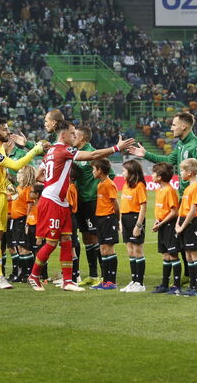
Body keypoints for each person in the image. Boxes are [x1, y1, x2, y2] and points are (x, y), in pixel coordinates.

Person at [27, 120, 134, 292]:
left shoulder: (51, 151)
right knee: (52, 242)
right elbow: (92, 155)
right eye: (72, 133)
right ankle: (34, 275)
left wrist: (52, 182)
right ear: (63, 135)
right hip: (52, 202)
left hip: (61, 201)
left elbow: (39, 175)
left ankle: (68, 281)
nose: (74, 136)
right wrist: (116, 148)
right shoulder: (64, 149)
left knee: (67, 240)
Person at [130, 112, 197, 287]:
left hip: (196, 199)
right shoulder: (181, 145)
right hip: (184, 198)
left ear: (184, 126)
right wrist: (145, 154)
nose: (171, 128)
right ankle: (190, 274)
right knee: (184, 236)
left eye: (174, 125)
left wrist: (191, 193)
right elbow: (168, 160)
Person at [0, 117, 44, 289]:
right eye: (5, 129)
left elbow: (1, 173)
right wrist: (35, 150)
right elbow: (15, 166)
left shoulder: (0, 147)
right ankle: (0, 279)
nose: (8, 132)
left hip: (0, 195)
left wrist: (8, 187)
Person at [72, 125, 101, 287]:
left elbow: (109, 174)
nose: (72, 137)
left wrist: (94, 190)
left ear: (82, 138)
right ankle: (92, 274)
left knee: (94, 236)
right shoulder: (75, 153)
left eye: (75, 135)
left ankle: (103, 275)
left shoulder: (92, 154)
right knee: (86, 238)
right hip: (79, 202)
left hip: (91, 201)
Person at [175, 158, 197, 296]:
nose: (180, 173)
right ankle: (192, 285)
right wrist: (178, 223)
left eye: (182, 170)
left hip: (192, 223)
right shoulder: (187, 188)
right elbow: (182, 207)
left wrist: (182, 227)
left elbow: (193, 211)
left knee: (195, 254)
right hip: (184, 222)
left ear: (190, 172)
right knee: (188, 255)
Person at [150, 162, 181, 295]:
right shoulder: (159, 190)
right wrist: (157, 221)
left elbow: (174, 211)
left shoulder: (169, 190)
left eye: (154, 173)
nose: (151, 175)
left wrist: (161, 223)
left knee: (173, 255)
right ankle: (164, 284)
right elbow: (162, 209)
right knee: (165, 255)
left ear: (160, 177)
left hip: (169, 225)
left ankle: (177, 286)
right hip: (162, 224)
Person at [91, 159, 120, 291]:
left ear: (100, 170)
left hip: (108, 218)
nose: (92, 171)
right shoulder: (100, 184)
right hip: (100, 218)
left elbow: (115, 205)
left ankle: (111, 281)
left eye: (94, 169)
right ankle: (105, 280)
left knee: (109, 248)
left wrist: (117, 220)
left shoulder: (109, 184)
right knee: (103, 249)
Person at [119, 159, 148, 293]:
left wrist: (138, 225)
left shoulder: (139, 185)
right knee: (130, 251)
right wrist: (120, 222)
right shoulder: (126, 184)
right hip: (125, 218)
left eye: (124, 171)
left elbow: (143, 207)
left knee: (137, 250)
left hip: (135, 218)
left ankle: (140, 283)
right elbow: (123, 204)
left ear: (131, 172)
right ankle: (134, 280)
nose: (122, 173)